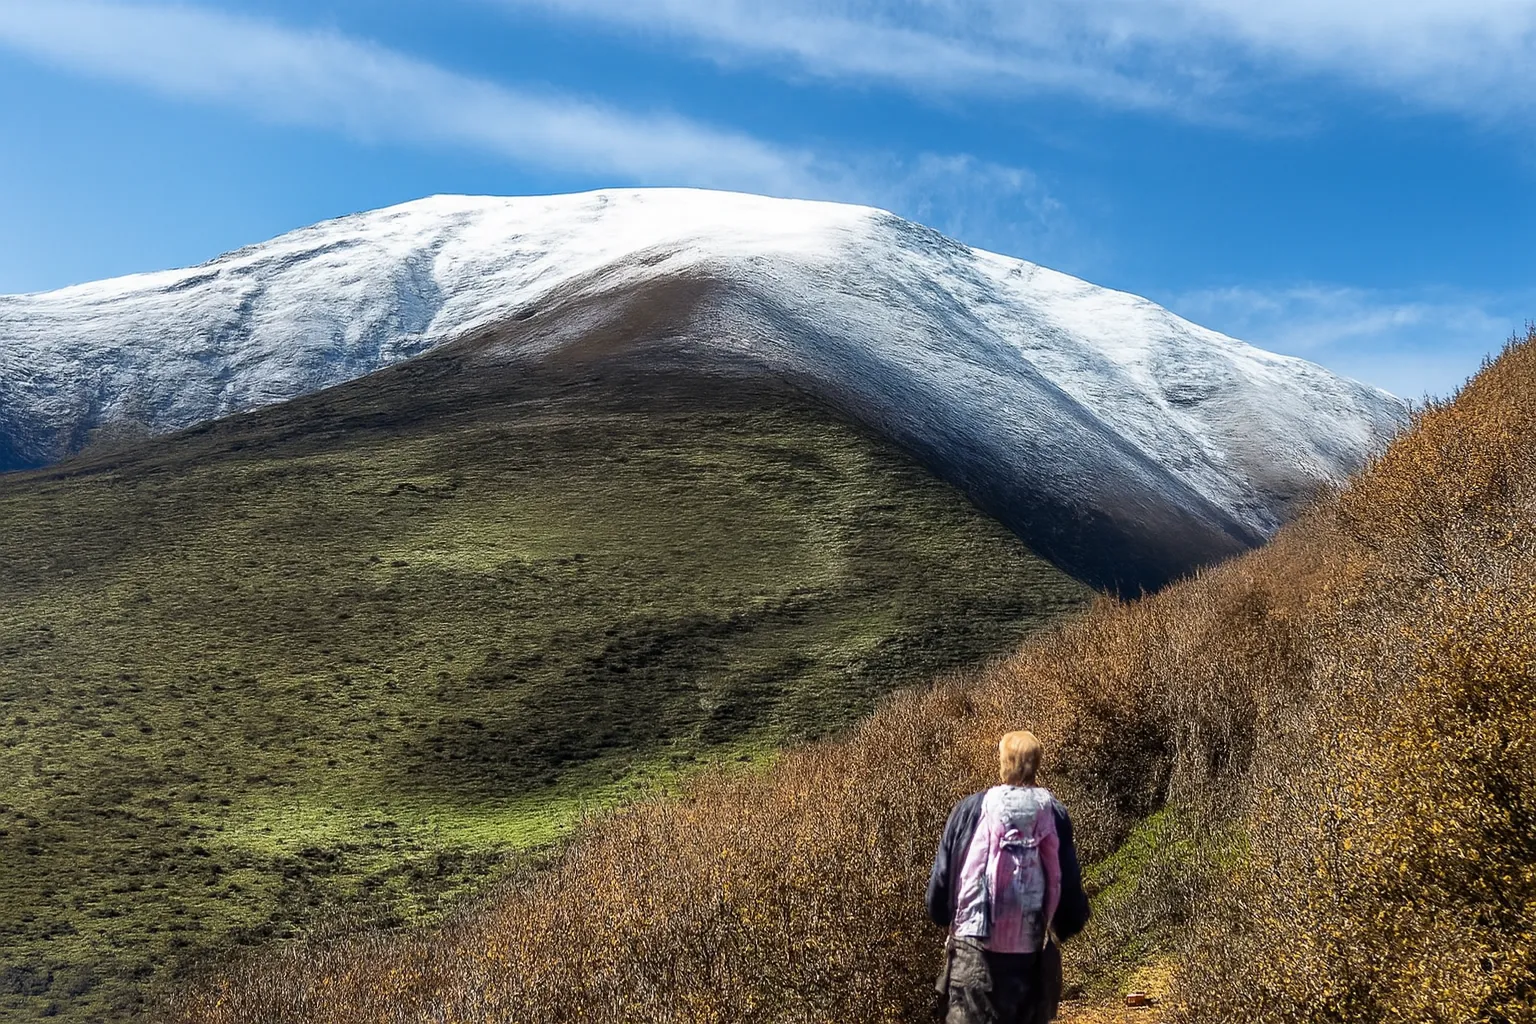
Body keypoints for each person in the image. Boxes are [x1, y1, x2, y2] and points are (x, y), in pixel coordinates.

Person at [926, 731, 1090, 1024]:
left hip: (972, 955)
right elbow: (1072, 906)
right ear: (1037, 764)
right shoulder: (1053, 813)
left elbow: (938, 898)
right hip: (1029, 959)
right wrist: (1058, 931)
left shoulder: (968, 810)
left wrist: (948, 919)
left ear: (1002, 764)